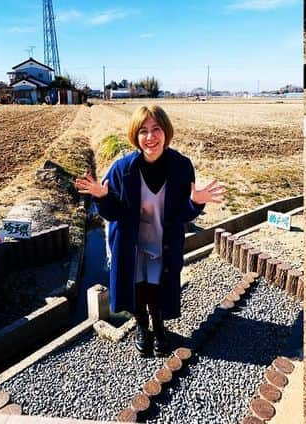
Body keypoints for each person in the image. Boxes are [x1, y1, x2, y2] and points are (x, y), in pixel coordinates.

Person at [75, 105, 226, 357]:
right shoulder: (122, 169)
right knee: (136, 289)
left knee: (156, 289)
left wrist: (196, 202)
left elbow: (182, 216)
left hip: (163, 244)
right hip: (129, 246)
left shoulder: (181, 166)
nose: (150, 136)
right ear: (136, 135)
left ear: (166, 132)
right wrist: (103, 197)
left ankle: (159, 327)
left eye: (156, 129)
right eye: (143, 130)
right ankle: (142, 327)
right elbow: (114, 213)